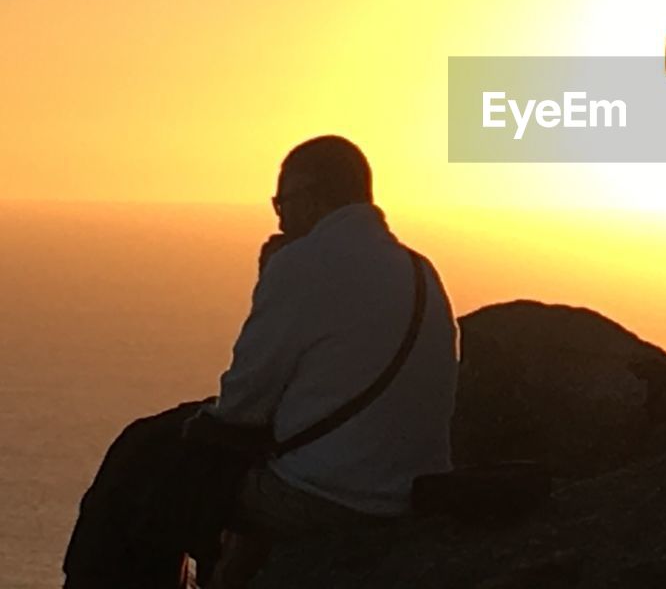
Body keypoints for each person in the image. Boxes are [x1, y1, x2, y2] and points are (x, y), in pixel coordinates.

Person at [64, 135, 459, 587]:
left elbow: (244, 403)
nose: (280, 217)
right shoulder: (419, 268)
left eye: (281, 202)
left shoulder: (304, 262)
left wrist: (271, 277)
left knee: (143, 460)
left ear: (310, 198)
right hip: (406, 490)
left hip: (332, 495)